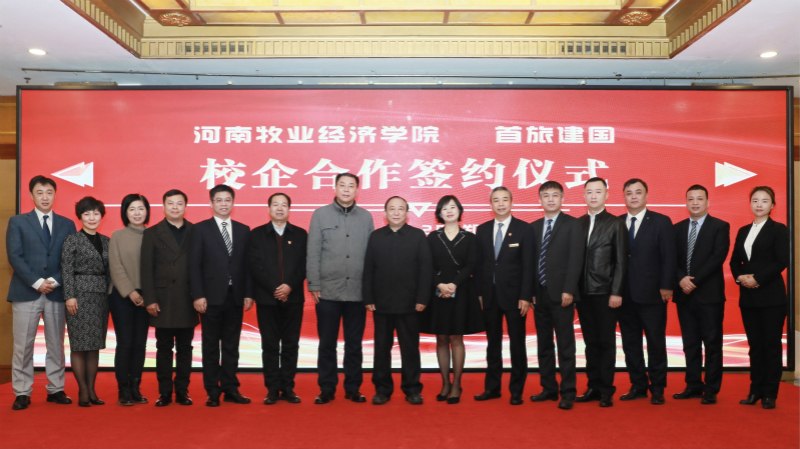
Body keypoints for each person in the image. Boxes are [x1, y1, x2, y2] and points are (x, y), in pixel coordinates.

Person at [7, 176, 77, 410]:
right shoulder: (18, 222)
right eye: (40, 192)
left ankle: (56, 389)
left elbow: (70, 258)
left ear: (55, 195)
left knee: (56, 344)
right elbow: (14, 256)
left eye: (49, 192)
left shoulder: (67, 224)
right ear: (31, 195)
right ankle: (22, 392)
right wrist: (37, 282)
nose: (45, 197)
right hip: (26, 291)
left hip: (56, 292)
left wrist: (54, 281)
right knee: (23, 346)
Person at [307, 173, 374, 404]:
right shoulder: (320, 214)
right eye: (342, 185)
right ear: (335, 188)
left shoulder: (366, 217)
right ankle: (327, 388)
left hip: (357, 291)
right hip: (328, 291)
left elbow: (371, 256)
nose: (346, 189)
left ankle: (353, 388)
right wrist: (314, 283)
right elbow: (313, 252)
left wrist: (370, 289)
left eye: (351, 186)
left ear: (357, 190)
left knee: (354, 344)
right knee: (327, 343)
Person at [363, 196, 433, 405]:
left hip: (410, 304)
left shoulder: (417, 236)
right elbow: (368, 269)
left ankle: (412, 389)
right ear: (385, 213)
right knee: (381, 349)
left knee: (410, 349)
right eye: (391, 209)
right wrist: (368, 297)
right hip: (381, 303)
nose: (396, 213)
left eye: (400, 209)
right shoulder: (376, 236)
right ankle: (382, 389)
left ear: (407, 213)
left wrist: (422, 298)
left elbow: (426, 270)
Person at [190, 184, 254, 407]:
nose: (224, 204)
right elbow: (194, 265)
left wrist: (248, 293)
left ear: (233, 203)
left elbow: (247, 265)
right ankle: (212, 390)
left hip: (235, 296)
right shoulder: (200, 229)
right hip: (209, 297)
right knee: (210, 345)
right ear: (211, 203)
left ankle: (230, 388)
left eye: (228, 200)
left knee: (231, 345)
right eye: (219, 200)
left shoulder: (244, 230)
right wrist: (198, 295)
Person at [729, 186, 789, 410]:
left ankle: (770, 394)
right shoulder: (743, 230)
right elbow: (734, 261)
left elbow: (781, 261)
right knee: (755, 346)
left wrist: (757, 279)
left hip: (772, 298)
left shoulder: (779, 229)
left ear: (772, 205)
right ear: (750, 204)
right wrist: (740, 278)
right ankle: (755, 390)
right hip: (748, 298)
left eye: (764, 200)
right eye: (755, 200)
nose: (759, 204)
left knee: (771, 346)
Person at [421, 195, 484, 405]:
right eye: (445, 208)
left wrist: (454, 285)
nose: (449, 211)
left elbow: (471, 265)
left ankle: (456, 384)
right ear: (439, 213)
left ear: (459, 211)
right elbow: (427, 265)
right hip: (438, 292)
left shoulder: (470, 237)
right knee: (441, 339)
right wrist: (440, 285)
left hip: (462, 291)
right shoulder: (432, 237)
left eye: (453, 207)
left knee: (456, 338)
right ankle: (445, 383)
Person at [617, 179, 675, 405]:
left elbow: (669, 256)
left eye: (638, 192)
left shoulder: (661, 221)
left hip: (653, 294)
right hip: (624, 295)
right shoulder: (617, 222)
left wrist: (666, 285)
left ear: (646, 196)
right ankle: (638, 385)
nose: (633, 196)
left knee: (655, 342)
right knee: (630, 343)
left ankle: (658, 387)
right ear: (624, 196)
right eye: (629, 193)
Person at [473, 186, 533, 406]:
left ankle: (516, 390)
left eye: (504, 199)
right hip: (489, 296)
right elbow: (479, 265)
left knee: (517, 344)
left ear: (512, 203)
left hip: (515, 297)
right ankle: (492, 388)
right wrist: (479, 293)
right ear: (490, 204)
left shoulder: (524, 229)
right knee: (493, 344)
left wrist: (526, 296)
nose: (500, 204)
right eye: (496, 200)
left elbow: (528, 266)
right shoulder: (482, 229)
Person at [247, 193, 308, 405]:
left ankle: (288, 387)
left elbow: (304, 264)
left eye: (284, 205)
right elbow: (255, 265)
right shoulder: (256, 235)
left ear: (289, 209)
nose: (280, 208)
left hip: (293, 298)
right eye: (276, 205)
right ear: (269, 209)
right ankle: (272, 389)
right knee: (270, 345)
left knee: (291, 345)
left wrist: (289, 286)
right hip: (267, 299)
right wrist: (274, 288)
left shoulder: (300, 234)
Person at [673, 184, 730, 405]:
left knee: (712, 344)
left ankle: (711, 388)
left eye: (699, 198)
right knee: (690, 344)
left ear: (708, 202)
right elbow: (671, 259)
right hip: (684, 295)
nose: (695, 203)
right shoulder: (677, 229)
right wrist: (681, 278)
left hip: (709, 296)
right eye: (691, 199)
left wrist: (693, 281)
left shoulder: (720, 226)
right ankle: (693, 385)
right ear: (686, 202)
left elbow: (718, 258)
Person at [530, 181, 584, 410]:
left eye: (555, 195)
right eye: (546, 195)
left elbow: (576, 259)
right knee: (544, 345)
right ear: (540, 200)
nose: (550, 199)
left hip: (562, 295)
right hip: (539, 295)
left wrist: (569, 289)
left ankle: (568, 392)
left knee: (565, 345)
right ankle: (549, 388)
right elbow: (530, 263)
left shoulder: (572, 224)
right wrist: (530, 292)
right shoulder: (533, 227)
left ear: (562, 198)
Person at [141, 189, 198, 407]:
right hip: (162, 299)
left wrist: (199, 295)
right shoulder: (152, 233)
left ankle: (182, 391)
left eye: (179, 203)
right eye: (170, 203)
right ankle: (164, 392)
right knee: (163, 347)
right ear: (163, 206)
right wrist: (150, 299)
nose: (175, 207)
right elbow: (146, 269)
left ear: (186, 207)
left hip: (187, 298)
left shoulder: (195, 231)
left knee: (185, 348)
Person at [575, 178, 627, 408]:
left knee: (606, 342)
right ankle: (593, 387)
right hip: (582, 293)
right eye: (589, 192)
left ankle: (606, 390)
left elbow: (621, 262)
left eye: (598, 192)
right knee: (590, 342)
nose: (593, 196)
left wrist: (616, 292)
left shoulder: (616, 223)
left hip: (606, 293)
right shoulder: (577, 224)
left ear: (606, 195)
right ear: (584, 195)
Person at [62, 196, 110, 407]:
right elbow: (66, 269)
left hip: (101, 298)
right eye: (87, 213)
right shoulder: (72, 240)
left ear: (101, 216)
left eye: (96, 213)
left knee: (94, 346)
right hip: (78, 297)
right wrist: (69, 296)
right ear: (80, 217)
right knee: (80, 345)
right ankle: (82, 390)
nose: (92, 217)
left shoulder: (107, 241)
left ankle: (92, 390)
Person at [108, 194, 150, 406]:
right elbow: (115, 267)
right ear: (125, 213)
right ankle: (123, 389)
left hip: (147, 296)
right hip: (121, 295)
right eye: (132, 209)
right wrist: (131, 292)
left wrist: (148, 295)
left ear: (147, 211)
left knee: (140, 344)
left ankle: (135, 386)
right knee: (125, 342)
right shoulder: (117, 235)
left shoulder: (153, 235)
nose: (137, 213)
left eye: (140, 208)